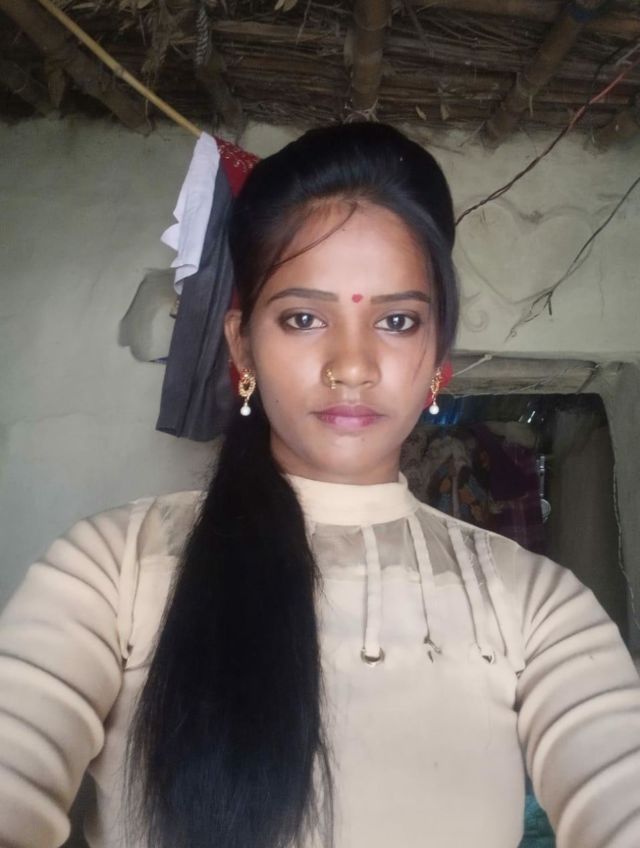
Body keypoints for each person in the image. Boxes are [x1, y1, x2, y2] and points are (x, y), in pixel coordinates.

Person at [0, 121, 639, 848]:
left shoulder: (536, 607)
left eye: (396, 320)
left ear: (438, 355)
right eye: (304, 318)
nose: (352, 366)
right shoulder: (107, 571)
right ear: (243, 346)